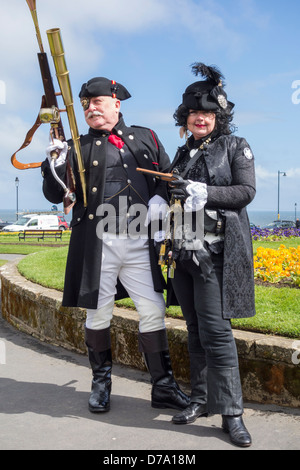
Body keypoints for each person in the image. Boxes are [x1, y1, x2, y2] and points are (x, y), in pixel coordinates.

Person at [41, 76, 190, 414]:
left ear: (116, 104)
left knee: (152, 309)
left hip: (139, 242)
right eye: (86, 105)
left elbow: (170, 176)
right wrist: (52, 162)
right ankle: (101, 383)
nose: (91, 109)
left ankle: (163, 387)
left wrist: (159, 197)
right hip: (100, 243)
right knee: (99, 311)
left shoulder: (146, 137)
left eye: (97, 103)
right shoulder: (76, 147)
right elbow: (55, 195)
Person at [164, 63, 256, 447]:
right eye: (193, 113)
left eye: (207, 113)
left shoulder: (236, 146)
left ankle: (231, 413)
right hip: (182, 254)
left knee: (218, 333)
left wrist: (206, 192)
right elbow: (173, 192)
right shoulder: (183, 151)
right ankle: (201, 400)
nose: (200, 118)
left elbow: (246, 192)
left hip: (215, 254)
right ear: (185, 118)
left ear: (219, 116)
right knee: (195, 331)